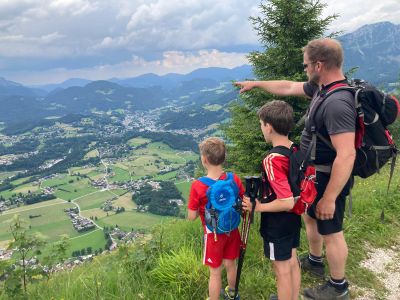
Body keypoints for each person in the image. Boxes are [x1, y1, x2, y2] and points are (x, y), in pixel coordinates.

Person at [235, 38, 355, 300]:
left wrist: (330, 197)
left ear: (319, 65)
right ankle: (313, 259)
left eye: (306, 66)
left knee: (331, 230)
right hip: (314, 174)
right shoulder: (322, 89)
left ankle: (338, 287)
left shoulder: (336, 102)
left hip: (329, 176)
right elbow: (287, 87)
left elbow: (346, 155)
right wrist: (256, 84)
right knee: (311, 217)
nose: (304, 71)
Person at [242, 100, 301, 300]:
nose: (261, 129)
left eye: (261, 124)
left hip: (278, 222)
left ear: (269, 126)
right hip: (293, 219)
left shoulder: (272, 159)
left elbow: (285, 201)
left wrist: (256, 207)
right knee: (292, 260)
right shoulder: (295, 149)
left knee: (281, 270)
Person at [187, 137, 245, 300]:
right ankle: (232, 293)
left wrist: (201, 209)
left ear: (204, 160)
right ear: (224, 157)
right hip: (232, 229)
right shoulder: (233, 179)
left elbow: (191, 217)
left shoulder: (198, 185)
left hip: (213, 234)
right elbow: (241, 199)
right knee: (231, 264)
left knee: (215, 272)